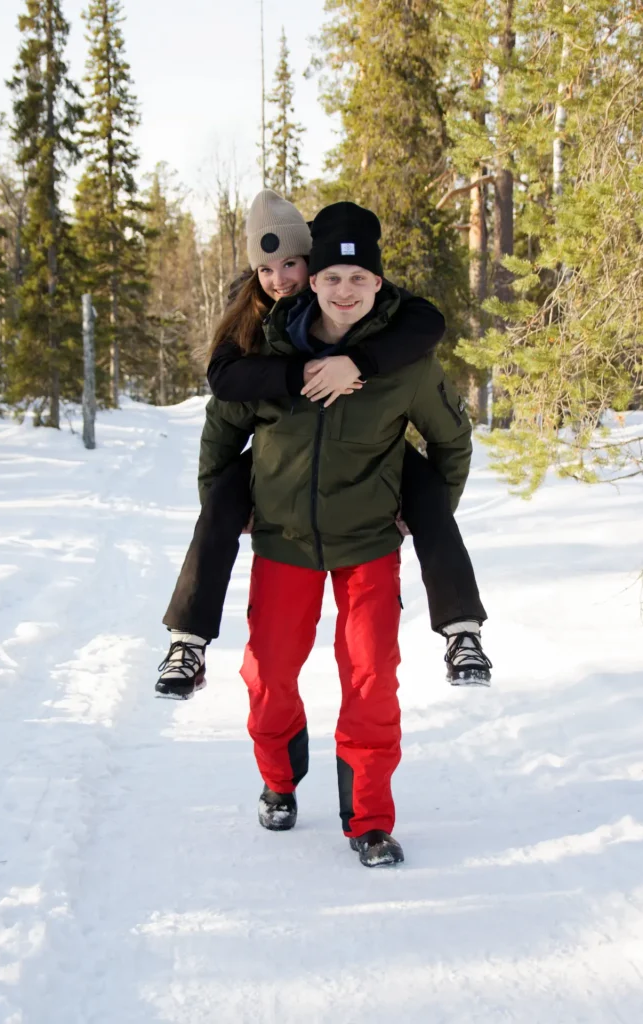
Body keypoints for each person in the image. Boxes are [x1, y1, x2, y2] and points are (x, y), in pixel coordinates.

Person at [189, 200, 482, 867]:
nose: (344, 290)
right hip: (283, 543)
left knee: (372, 681)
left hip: (368, 546)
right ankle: (278, 782)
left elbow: (450, 443)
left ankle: (370, 819)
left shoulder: (402, 362)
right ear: (312, 280)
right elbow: (220, 438)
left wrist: (424, 512)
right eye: (330, 277)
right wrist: (227, 510)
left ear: (378, 284)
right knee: (266, 676)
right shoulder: (268, 352)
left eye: (359, 279)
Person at [156, 191, 491, 704]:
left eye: (291, 263)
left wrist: (359, 363)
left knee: (427, 490)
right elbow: (223, 390)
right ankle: (188, 641)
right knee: (222, 497)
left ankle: (462, 628)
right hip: (283, 485)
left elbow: (427, 324)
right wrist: (294, 374)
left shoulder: (378, 306)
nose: (280, 279)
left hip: (372, 488)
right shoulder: (252, 323)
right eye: (267, 268)